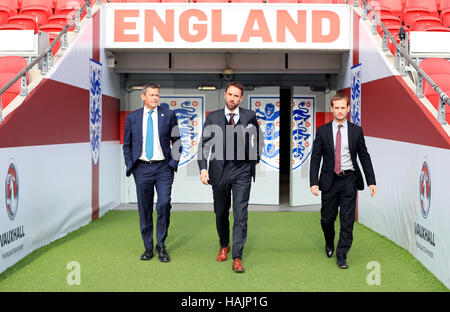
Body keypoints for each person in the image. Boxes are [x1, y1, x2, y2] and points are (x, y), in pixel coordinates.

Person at [197, 81, 264, 273]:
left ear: (241, 98)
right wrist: (203, 168)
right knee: (221, 212)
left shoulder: (249, 116)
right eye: (229, 94)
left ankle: (237, 256)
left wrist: (254, 160)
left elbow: (258, 138)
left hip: (242, 170)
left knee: (240, 214)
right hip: (219, 171)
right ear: (225, 95)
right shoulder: (213, 117)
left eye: (236, 95)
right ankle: (224, 244)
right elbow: (204, 145)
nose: (232, 98)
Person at [309, 93, 376, 269]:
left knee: (347, 220)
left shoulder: (356, 131)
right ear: (332, 109)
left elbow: (364, 156)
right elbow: (315, 158)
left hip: (349, 180)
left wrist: (371, 180)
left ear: (348, 109)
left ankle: (342, 256)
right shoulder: (322, 131)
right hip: (329, 181)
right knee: (327, 220)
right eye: (336, 108)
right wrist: (313, 182)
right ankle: (329, 242)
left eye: (342, 107)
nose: (339, 111)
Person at [123, 83, 181, 263]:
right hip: (142, 169)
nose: (155, 98)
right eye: (152, 95)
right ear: (143, 97)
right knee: (145, 208)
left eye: (157, 95)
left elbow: (177, 141)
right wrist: (132, 166)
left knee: (163, 204)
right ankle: (148, 247)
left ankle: (161, 244)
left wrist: (172, 163)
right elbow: (127, 145)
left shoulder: (169, 115)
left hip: (163, 168)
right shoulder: (133, 118)